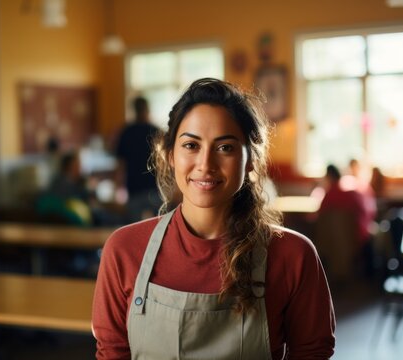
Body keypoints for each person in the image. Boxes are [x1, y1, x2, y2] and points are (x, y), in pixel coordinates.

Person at [92, 78, 335, 359]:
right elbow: (112, 352)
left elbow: (312, 352)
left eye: (225, 148)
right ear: (171, 155)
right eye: (191, 145)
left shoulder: (293, 255)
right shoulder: (123, 250)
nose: (205, 165)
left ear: (251, 160)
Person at [318, 164, 374, 278]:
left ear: (328, 177)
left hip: (331, 241)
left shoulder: (329, 195)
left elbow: (319, 216)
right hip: (355, 238)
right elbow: (368, 214)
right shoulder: (352, 194)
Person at [114, 96, 162, 222]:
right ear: (147, 109)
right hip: (154, 188)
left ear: (133, 111)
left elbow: (120, 164)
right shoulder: (156, 131)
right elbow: (164, 163)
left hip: (134, 189)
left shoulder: (126, 132)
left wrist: (118, 189)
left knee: (133, 230)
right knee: (159, 229)